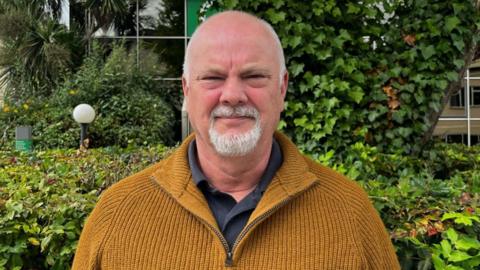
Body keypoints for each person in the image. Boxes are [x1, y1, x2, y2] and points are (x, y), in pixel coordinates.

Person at [72, 11, 400, 269]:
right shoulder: (117, 214)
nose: (232, 95)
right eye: (213, 77)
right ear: (186, 91)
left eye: (253, 76)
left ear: (282, 88)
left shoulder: (350, 213)